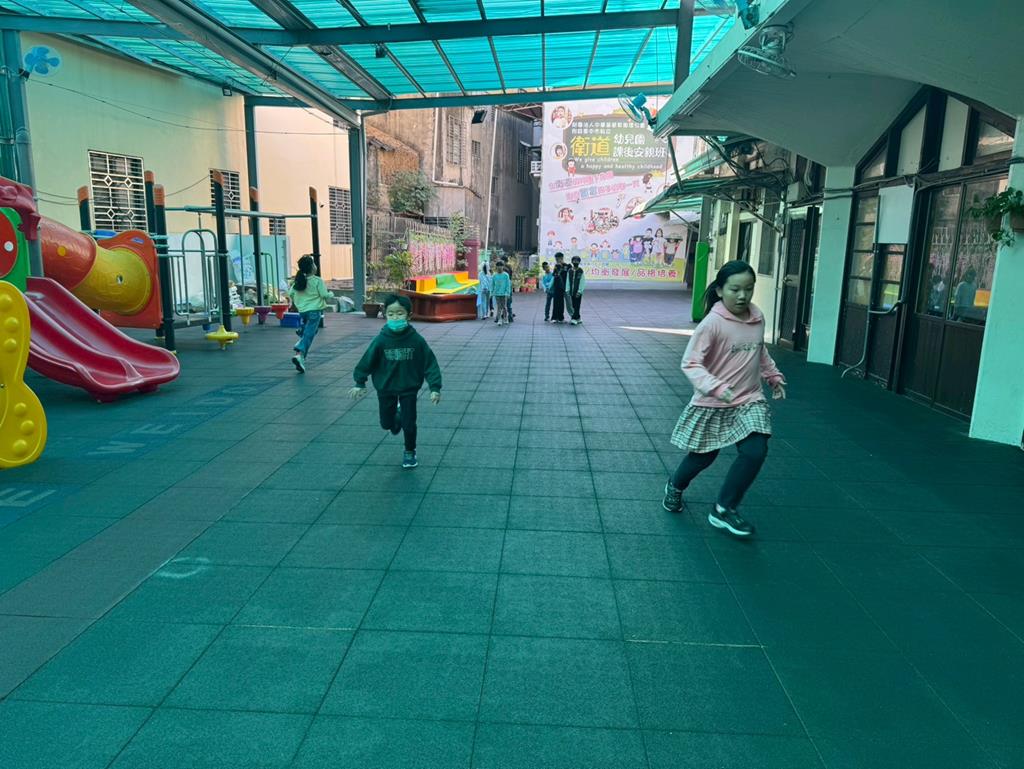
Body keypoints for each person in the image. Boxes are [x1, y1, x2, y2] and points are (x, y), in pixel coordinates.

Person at [662, 261, 786, 538]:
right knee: (703, 457)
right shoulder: (712, 324)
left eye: (748, 289)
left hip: (749, 398)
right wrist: (716, 388)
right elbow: (690, 363)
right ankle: (675, 485)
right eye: (735, 289)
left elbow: (759, 351)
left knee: (755, 451)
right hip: (714, 402)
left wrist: (772, 376)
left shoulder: (757, 318)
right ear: (720, 290)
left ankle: (724, 508)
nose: (742, 296)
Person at [350, 295, 442, 469]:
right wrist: (359, 382)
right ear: (385, 315)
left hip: (409, 388)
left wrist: (434, 387)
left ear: (409, 315)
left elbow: (430, 363)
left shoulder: (416, 340)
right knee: (387, 424)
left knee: (409, 423)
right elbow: (367, 361)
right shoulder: (381, 340)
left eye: (400, 313)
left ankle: (409, 451)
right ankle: (395, 417)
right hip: (386, 388)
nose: (395, 317)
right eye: (391, 314)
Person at [287, 254, 332, 373]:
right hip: (314, 312)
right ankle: (299, 351)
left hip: (303, 312)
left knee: (311, 331)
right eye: (314, 263)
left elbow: (290, 293)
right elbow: (324, 295)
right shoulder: (317, 280)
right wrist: (331, 294)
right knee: (309, 334)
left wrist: (298, 303)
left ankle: (301, 355)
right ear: (312, 267)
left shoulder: (299, 281)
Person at [566, 255, 586, 325]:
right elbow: (568, 280)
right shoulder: (570, 271)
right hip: (571, 291)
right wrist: (567, 289)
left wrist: (580, 291)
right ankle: (578, 318)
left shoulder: (580, 271)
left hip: (578, 292)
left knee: (577, 305)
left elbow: (582, 281)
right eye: (574, 261)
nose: (575, 262)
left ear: (579, 262)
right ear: (572, 262)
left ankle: (574, 318)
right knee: (572, 305)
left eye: (577, 261)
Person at [491, 261, 512, 326]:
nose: (499, 267)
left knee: (504, 307)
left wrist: (508, 293)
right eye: (498, 266)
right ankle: (499, 320)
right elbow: (492, 285)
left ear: (503, 267)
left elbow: (508, 285)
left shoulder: (506, 275)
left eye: (501, 266)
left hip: (504, 293)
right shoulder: (494, 275)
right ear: (496, 267)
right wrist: (492, 293)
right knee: (499, 307)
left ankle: (505, 318)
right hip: (497, 293)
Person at [550, 252, 567, 323]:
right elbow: (554, 274)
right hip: (556, 286)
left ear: (561, 258)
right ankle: (554, 317)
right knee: (555, 302)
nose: (556, 260)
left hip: (563, 287)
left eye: (557, 259)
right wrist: (557, 271)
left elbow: (567, 275)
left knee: (561, 302)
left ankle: (561, 318)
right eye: (556, 259)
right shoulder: (556, 266)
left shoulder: (566, 266)